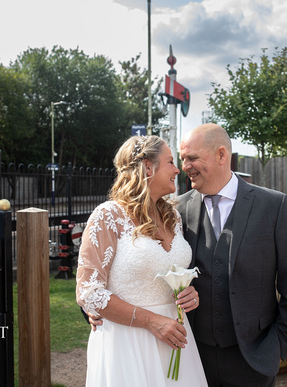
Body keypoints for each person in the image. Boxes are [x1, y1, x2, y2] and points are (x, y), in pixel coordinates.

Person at [177, 124, 287, 386]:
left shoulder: (272, 205)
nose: (185, 166)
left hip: (254, 360)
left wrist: (278, 346)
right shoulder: (177, 209)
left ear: (221, 155)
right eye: (182, 159)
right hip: (193, 358)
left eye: (192, 158)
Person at [76, 135, 208, 386]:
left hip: (175, 338)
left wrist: (189, 293)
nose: (177, 169)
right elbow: (88, 292)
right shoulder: (108, 216)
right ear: (148, 166)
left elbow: (170, 273)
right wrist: (151, 321)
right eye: (170, 161)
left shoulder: (173, 218)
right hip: (127, 343)